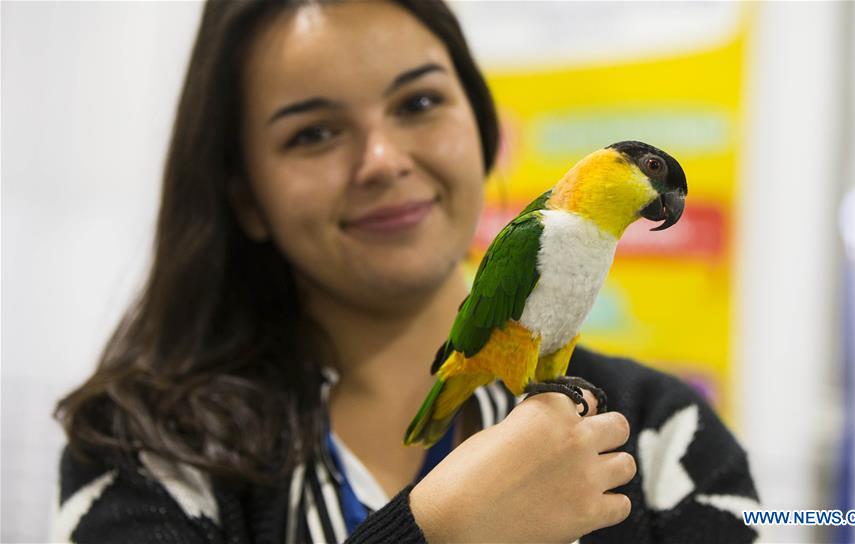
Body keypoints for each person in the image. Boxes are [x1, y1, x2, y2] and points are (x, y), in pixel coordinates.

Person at [53, 0, 760, 542]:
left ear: (483, 131)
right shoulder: (143, 452)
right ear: (246, 196)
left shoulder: (670, 436)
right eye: (314, 132)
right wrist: (433, 532)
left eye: (419, 102)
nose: (383, 160)